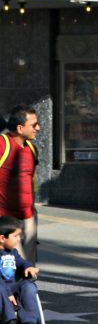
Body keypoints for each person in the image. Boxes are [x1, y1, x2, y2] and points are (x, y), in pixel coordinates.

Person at [0, 106, 40, 263]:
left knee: (29, 262)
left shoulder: (32, 148)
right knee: (17, 261)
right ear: (20, 128)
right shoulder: (3, 145)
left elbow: (32, 179)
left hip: (28, 214)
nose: (38, 128)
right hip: (6, 218)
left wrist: (32, 206)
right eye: (33, 125)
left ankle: (28, 284)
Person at [0, 215, 41, 324]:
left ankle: (28, 321)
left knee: (29, 286)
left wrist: (28, 267)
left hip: (12, 284)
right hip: (2, 286)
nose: (19, 239)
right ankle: (9, 321)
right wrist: (8, 293)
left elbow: (21, 261)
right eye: (15, 236)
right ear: (2, 238)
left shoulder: (12, 252)